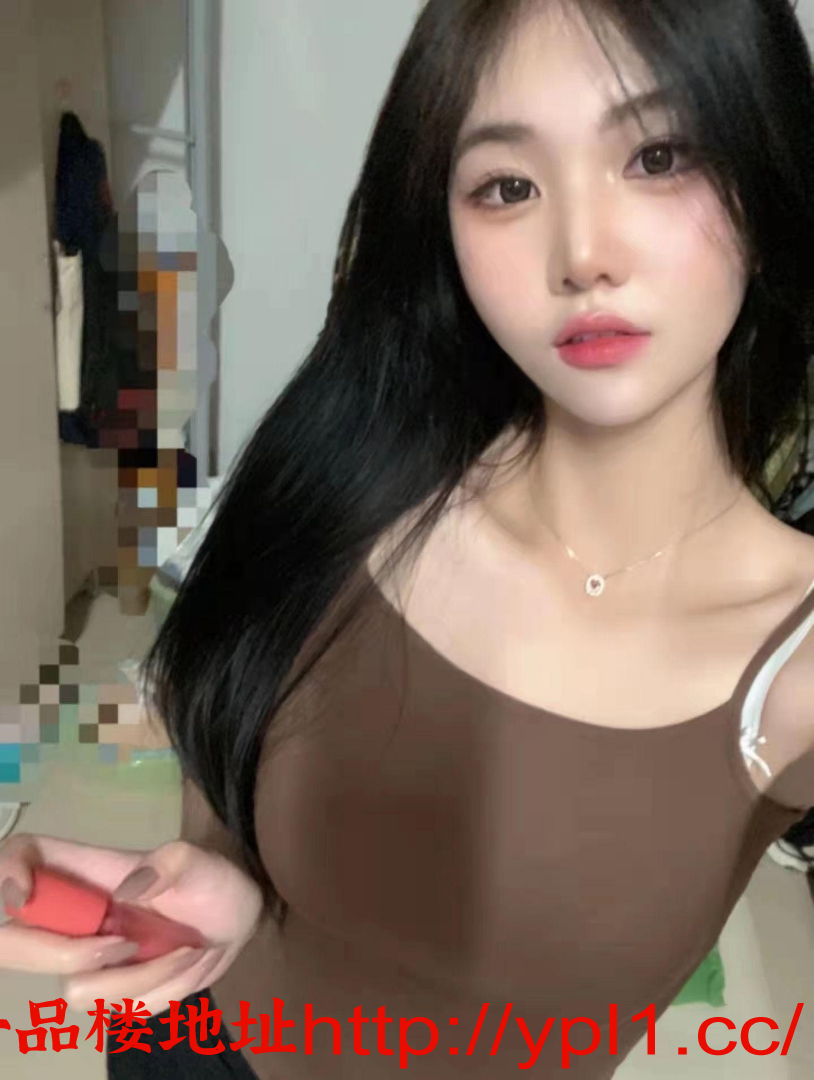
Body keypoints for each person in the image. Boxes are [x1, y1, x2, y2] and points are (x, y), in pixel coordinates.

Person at [3, 0, 814, 1075]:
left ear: (767, 170)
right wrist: (218, 884)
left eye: (659, 157)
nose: (581, 254)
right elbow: (219, 742)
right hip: (190, 1037)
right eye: (507, 186)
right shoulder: (355, 472)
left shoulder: (793, 661)